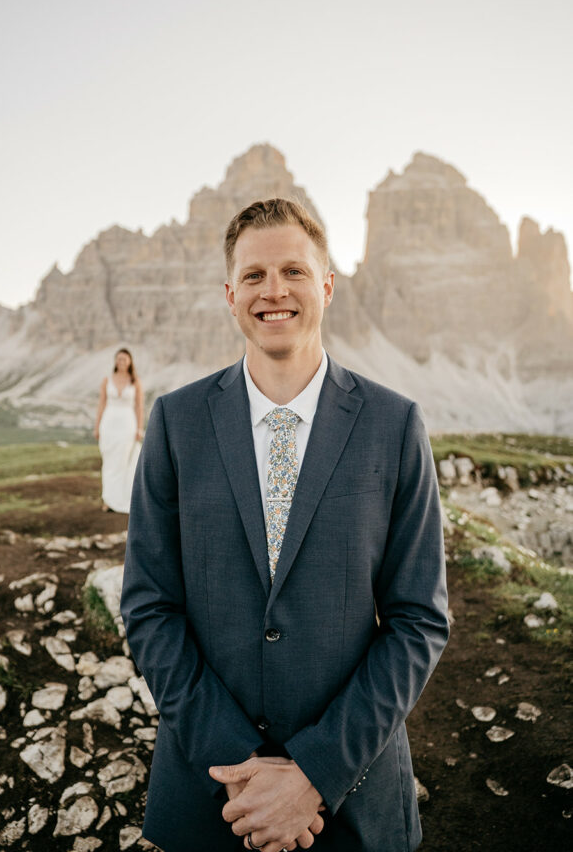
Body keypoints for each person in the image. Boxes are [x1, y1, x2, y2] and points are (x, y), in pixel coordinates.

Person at [120, 199, 449, 852]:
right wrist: (240, 767)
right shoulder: (174, 424)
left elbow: (419, 619)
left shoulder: (395, 426)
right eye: (253, 276)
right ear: (229, 294)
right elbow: (149, 605)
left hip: (351, 804)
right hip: (211, 798)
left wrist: (313, 773)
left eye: (294, 272)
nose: (273, 291)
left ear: (326, 286)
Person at [94, 347, 144, 512]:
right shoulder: (107, 380)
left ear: (129, 362)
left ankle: (123, 497)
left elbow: (139, 407)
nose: (121, 362)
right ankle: (108, 498)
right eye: (119, 359)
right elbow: (101, 403)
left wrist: (139, 428)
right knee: (109, 462)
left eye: (124, 359)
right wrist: (97, 426)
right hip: (109, 423)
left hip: (127, 424)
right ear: (115, 361)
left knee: (123, 461)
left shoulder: (135, 381)